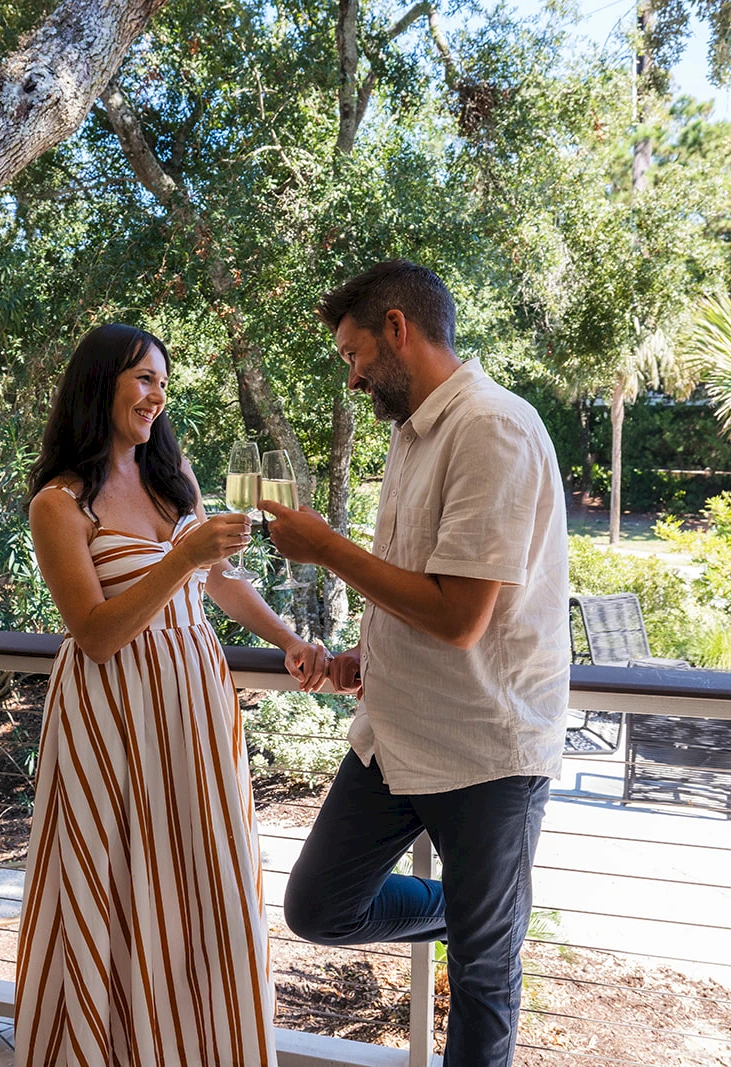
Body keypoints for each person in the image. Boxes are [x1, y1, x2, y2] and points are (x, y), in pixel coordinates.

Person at [259, 261, 569, 1066]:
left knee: (482, 973)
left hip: (484, 748)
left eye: (355, 354)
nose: (354, 377)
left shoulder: (492, 427)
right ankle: (480, 907)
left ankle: (486, 917)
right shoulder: (412, 433)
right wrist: (374, 651)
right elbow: (421, 585)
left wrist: (326, 546)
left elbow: (462, 618)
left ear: (398, 329)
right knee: (321, 905)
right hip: (397, 733)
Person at [16, 323, 330, 1067]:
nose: (159, 396)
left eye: (163, 381)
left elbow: (216, 579)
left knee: (205, 882)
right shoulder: (57, 504)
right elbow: (94, 632)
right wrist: (181, 555)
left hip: (193, 700)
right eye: (144, 379)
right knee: (123, 887)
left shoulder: (172, 475)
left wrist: (287, 639)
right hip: (113, 711)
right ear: (101, 384)